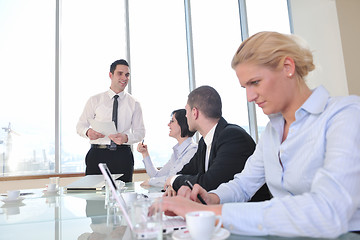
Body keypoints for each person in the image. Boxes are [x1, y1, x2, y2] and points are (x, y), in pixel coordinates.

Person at [156, 32, 360, 238]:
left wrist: (213, 213)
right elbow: (244, 184)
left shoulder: (345, 115)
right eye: (245, 87)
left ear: (288, 67)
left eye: (255, 82)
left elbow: (328, 211)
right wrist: (213, 198)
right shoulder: (272, 132)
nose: (250, 97)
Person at [164, 85, 270, 202]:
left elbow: (209, 184)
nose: (185, 115)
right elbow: (184, 172)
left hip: (248, 216)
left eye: (187, 111)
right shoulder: (204, 143)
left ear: (195, 112)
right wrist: (172, 185)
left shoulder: (232, 136)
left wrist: (173, 180)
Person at [76, 59, 145, 182]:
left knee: (122, 196)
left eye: (127, 74)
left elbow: (140, 133)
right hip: (97, 154)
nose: (124, 77)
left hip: (123, 155)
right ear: (110, 75)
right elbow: (80, 126)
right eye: (120, 73)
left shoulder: (134, 103)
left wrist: (126, 138)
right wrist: (88, 132)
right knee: (94, 198)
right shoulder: (94, 100)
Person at [136, 109, 197, 187]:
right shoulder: (177, 152)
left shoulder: (192, 151)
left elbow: (174, 179)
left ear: (182, 124)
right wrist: (145, 153)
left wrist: (150, 182)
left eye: (172, 121)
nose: (168, 124)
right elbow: (157, 176)